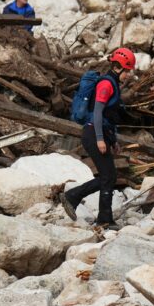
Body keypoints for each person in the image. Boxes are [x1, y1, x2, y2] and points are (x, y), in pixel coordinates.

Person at [60, 48, 135, 229]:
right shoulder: (106, 84)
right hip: (94, 133)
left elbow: (110, 116)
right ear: (119, 68)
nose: (129, 75)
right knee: (108, 176)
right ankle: (100, 217)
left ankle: (91, 208)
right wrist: (101, 139)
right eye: (128, 71)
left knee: (108, 176)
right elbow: (98, 113)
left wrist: (113, 140)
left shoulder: (113, 84)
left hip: (100, 133)